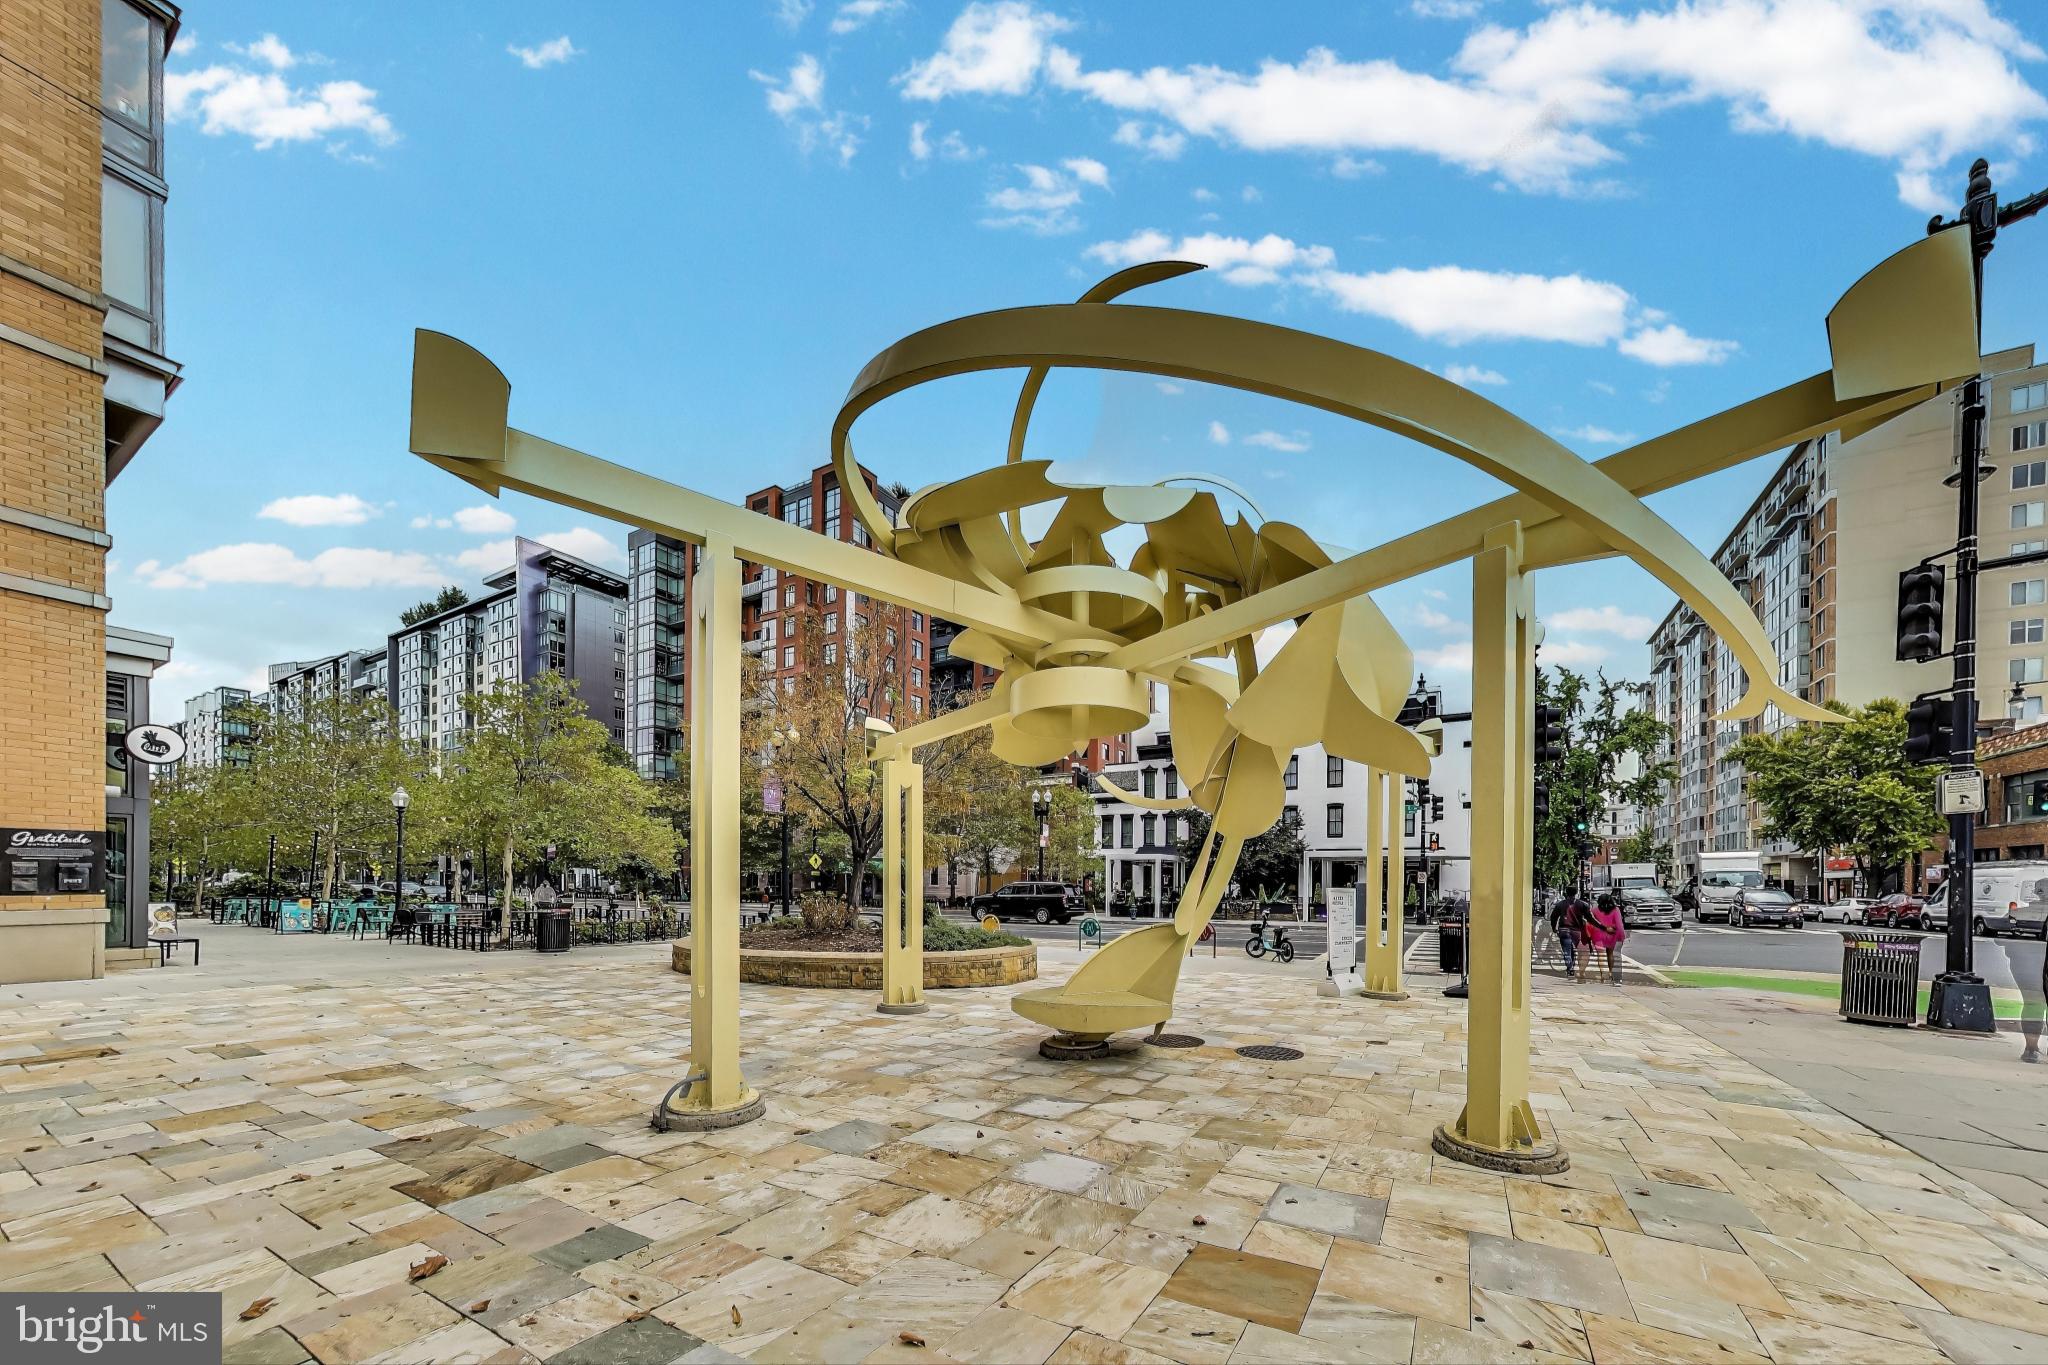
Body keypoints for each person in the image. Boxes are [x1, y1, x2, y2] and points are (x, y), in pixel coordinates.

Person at [1584, 892, 1627, 984]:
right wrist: (1622, 935)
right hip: (1613, 934)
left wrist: (1589, 935)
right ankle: (1611, 972)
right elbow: (1619, 924)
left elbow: (1590, 923)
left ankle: (1603, 974)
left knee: (1600, 955)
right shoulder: (1615, 910)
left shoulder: (1595, 910)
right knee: (1611, 954)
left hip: (1599, 935)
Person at [1547, 891, 1581, 978]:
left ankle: (1570, 968)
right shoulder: (1580, 904)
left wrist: (1554, 927)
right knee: (1573, 950)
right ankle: (1572, 965)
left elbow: (1553, 917)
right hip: (1576, 931)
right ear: (1576, 894)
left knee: (1567, 950)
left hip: (1564, 930)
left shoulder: (1560, 904)